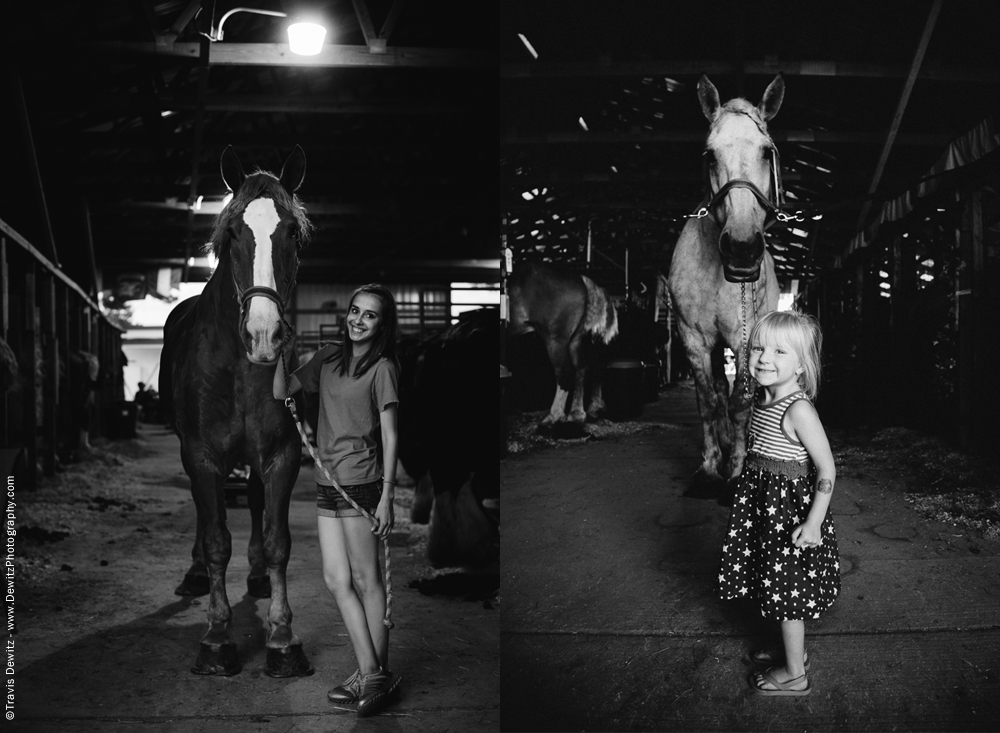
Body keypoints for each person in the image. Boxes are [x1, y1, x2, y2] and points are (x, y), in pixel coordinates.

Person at [273, 284, 402, 716]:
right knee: (335, 580)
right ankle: (370, 672)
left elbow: (390, 435)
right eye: (354, 311)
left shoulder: (383, 368)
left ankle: (372, 673)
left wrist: (387, 497)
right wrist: (279, 350)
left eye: (369, 315)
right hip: (328, 484)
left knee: (366, 581)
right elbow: (282, 392)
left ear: (382, 324)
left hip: (363, 483)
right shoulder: (327, 357)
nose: (358, 320)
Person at [717, 310, 839, 696]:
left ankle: (795, 675)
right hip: (763, 511)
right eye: (757, 348)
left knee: (788, 593)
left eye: (779, 352)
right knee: (772, 582)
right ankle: (793, 653)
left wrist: (814, 522)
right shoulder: (762, 397)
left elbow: (827, 468)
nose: (764, 358)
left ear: (802, 366)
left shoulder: (797, 409)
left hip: (790, 516)